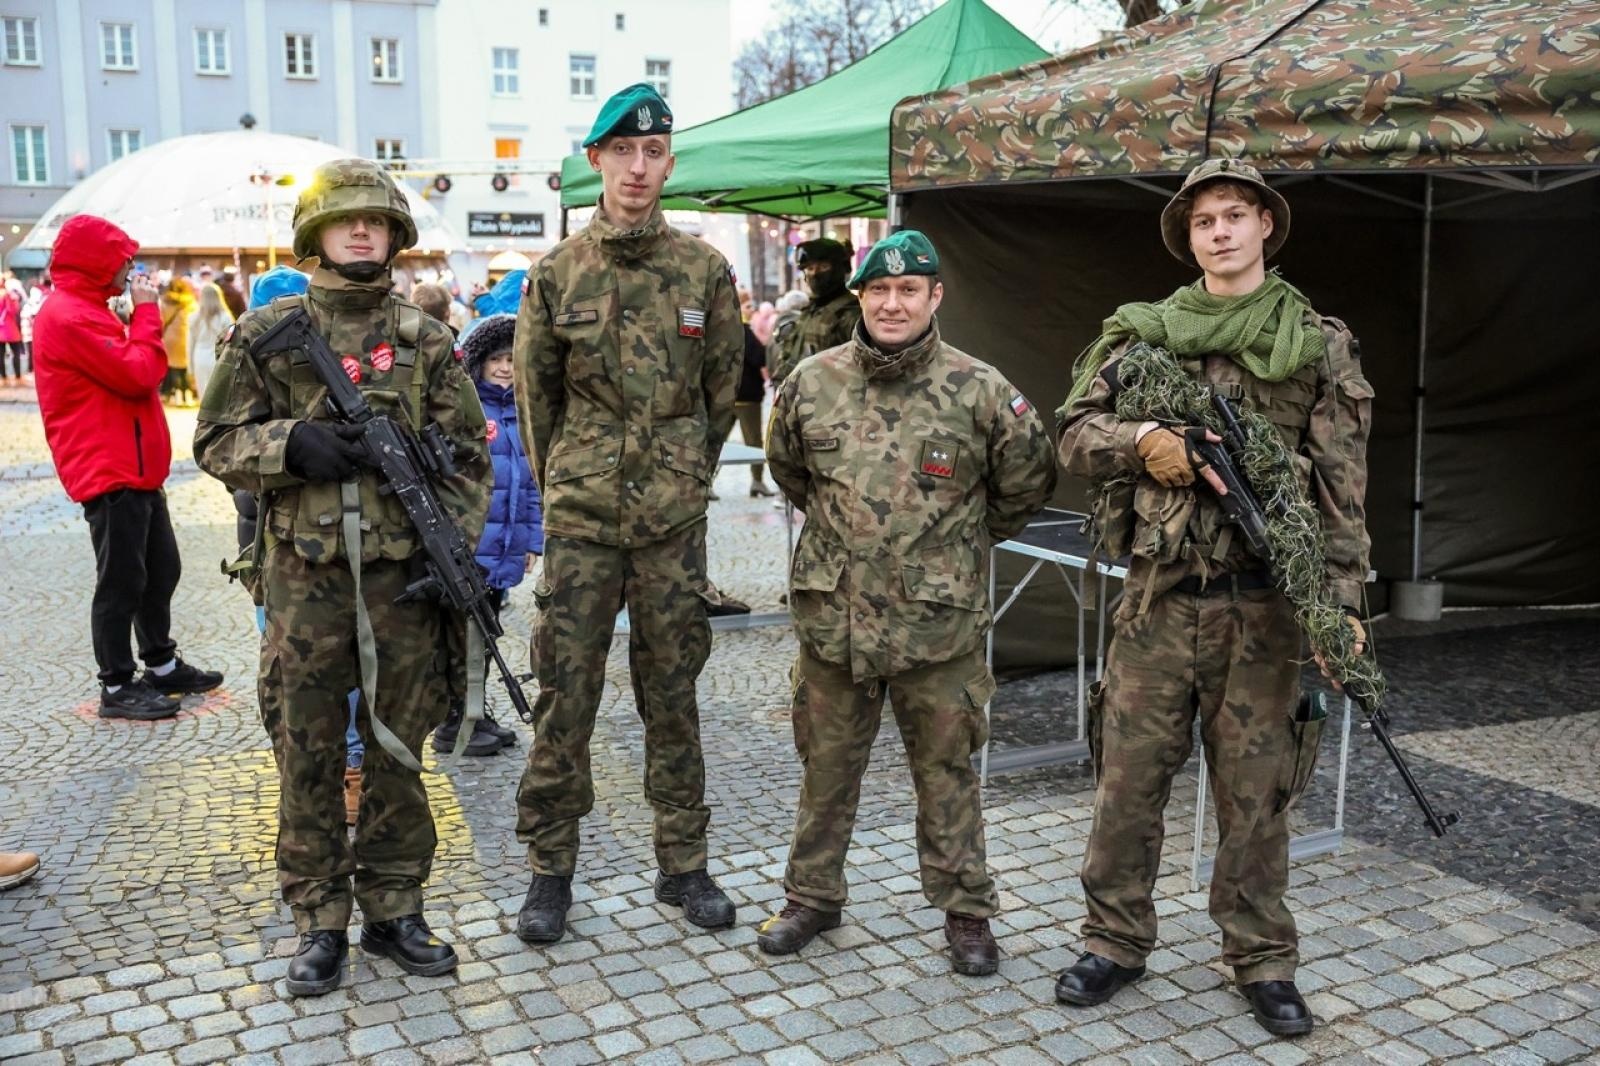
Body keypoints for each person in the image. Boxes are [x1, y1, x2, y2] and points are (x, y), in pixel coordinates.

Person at [1054, 158, 1372, 1037]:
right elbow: (1075, 432)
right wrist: (1145, 439)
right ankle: (1114, 941)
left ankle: (1262, 958)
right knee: (1127, 784)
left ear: (1266, 225)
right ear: (1189, 238)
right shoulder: (1143, 337)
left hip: (1264, 610)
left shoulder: (1318, 343)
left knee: (1257, 794)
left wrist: (1339, 606)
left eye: (1236, 215)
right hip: (1158, 601)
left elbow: (1343, 490)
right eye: (1204, 222)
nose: (1221, 232)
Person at [195, 158, 490, 997]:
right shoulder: (269, 332)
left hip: (402, 584)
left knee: (400, 746)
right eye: (345, 220)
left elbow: (470, 458)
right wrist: (289, 448)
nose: (362, 232)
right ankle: (319, 919)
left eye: (377, 221)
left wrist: (455, 554)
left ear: (396, 235)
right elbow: (215, 441)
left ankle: (395, 906)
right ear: (315, 234)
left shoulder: (427, 338)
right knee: (308, 750)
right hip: (304, 580)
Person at [759, 230, 1056, 975]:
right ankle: (812, 899)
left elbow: (1026, 483)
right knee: (825, 767)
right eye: (879, 290)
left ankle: (966, 912)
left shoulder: (981, 390)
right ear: (861, 295)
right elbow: (791, 471)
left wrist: (955, 550)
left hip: (936, 627)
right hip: (835, 621)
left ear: (935, 298)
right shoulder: (810, 382)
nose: (893, 303)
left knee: (946, 770)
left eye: (909, 290)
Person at [511, 82, 742, 945]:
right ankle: (549, 870)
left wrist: (679, 474)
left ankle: (683, 863)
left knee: (672, 690)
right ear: (596, 160)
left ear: (668, 163)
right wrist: (573, 483)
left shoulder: (704, 272)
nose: (639, 168)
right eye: (623, 153)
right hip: (580, 524)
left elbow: (723, 397)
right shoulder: (556, 274)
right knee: (564, 694)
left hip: (671, 525)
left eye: (654, 154)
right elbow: (537, 405)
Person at [32, 215, 225, 720]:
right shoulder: (71, 315)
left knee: (160, 569)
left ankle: (160, 664)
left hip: (131, 465)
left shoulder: (84, 308)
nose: (130, 268)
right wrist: (144, 313)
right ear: (98, 260)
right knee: (121, 581)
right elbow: (139, 373)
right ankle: (116, 685)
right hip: (107, 465)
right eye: (123, 258)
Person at [429, 312, 539, 757]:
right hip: (470, 543)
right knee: (463, 634)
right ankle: (457, 717)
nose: (505, 367)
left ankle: (473, 710)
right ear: (478, 361)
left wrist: (532, 541)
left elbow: (531, 483)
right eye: (496, 357)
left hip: (505, 541)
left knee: (485, 632)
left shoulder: (524, 411)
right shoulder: (466, 410)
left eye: (513, 358)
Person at [768, 239, 860, 387]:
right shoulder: (809, 311)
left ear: (839, 268)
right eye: (810, 269)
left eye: (823, 267)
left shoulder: (851, 314)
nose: (815, 274)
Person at [187, 279, 234, 399]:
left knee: (204, 395)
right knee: (220, 396)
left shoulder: (194, 318)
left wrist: (190, 367)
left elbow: (190, 344)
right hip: (219, 357)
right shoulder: (225, 317)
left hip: (199, 357)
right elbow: (231, 342)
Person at [159, 277, 197, 405]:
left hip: (169, 337)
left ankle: (171, 394)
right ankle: (186, 394)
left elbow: (161, 320)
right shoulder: (190, 303)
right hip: (185, 336)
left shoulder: (164, 301)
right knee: (184, 367)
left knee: (170, 366)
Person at [1, 276, 24, 379]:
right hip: (9, 328)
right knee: (16, 353)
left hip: (1, 329)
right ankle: (17, 375)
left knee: (0, 355)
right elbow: (13, 310)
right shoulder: (8, 295)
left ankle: (3, 375)